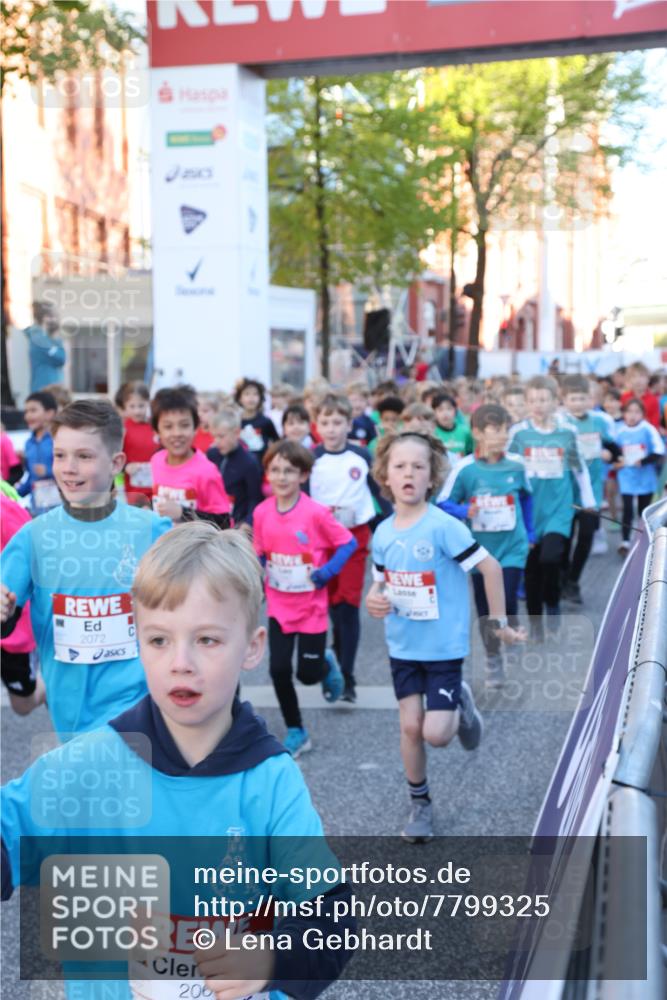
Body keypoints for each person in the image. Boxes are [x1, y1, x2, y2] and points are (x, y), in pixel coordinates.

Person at [1, 522, 355, 1000]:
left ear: (252, 647)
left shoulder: (271, 781)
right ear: (136, 640)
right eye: (159, 640)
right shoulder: (87, 766)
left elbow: (329, 916)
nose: (180, 662)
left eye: (206, 640)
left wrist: (273, 959)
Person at [366, 432, 524, 842]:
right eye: (400, 466)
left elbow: (489, 568)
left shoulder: (443, 527)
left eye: (418, 467)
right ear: (384, 474)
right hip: (401, 645)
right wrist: (375, 599)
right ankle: (420, 804)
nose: (409, 473)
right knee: (410, 727)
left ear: (432, 478)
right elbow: (380, 583)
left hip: (443, 648)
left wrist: (497, 623)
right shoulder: (382, 533)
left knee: (437, 734)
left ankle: (462, 705)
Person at [1, 399, 172, 738]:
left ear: (116, 463)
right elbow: (6, 612)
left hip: (139, 704)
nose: (69, 468)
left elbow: (186, 605)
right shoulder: (33, 538)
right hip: (70, 712)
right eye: (60, 455)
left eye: (84, 456)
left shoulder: (152, 531)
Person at [253, 441, 358, 756]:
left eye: (289, 471)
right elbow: (259, 551)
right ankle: (296, 729)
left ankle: (325, 663)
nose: (282, 477)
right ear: (267, 474)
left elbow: (348, 543)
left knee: (307, 676)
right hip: (279, 606)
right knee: (278, 670)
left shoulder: (315, 513)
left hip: (311, 607)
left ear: (303, 475)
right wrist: (258, 572)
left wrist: (328, 571)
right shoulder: (261, 512)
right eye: (275, 470)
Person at [440, 404, 533, 688]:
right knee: (485, 607)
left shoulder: (517, 464)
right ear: (478, 433)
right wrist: (463, 510)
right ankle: (494, 658)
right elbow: (443, 503)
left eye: (505, 429)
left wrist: (530, 533)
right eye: (495, 430)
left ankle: (510, 625)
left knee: (506, 596)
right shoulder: (464, 469)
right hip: (480, 551)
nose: (503, 435)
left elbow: (527, 498)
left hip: (512, 545)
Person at [508, 376, 596, 638]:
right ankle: (535, 623)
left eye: (543, 400)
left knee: (551, 558)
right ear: (527, 402)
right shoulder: (519, 433)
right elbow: (509, 466)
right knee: (532, 568)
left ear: (554, 401)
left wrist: (589, 502)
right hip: (529, 510)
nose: (538, 405)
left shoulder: (566, 432)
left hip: (559, 508)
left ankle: (554, 601)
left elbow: (579, 469)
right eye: (533, 400)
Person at [310, 394, 382, 703]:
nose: (331, 429)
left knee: (347, 606)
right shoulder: (311, 458)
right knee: (325, 607)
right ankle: (332, 666)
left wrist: (390, 528)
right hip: (319, 540)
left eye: (338, 422)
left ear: (349, 424)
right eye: (325, 422)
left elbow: (381, 494)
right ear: (317, 425)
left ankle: (348, 675)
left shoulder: (362, 456)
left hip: (353, 539)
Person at [559, 375, 620, 602]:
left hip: (591, 493)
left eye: (583, 398)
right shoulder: (559, 422)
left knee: (586, 536)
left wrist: (609, 454)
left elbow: (615, 449)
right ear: (564, 400)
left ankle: (573, 580)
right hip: (564, 493)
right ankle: (562, 577)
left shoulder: (600, 421)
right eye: (573, 398)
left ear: (591, 399)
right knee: (564, 540)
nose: (578, 402)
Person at [150, 385, 232, 528]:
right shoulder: (156, 461)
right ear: (157, 430)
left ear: (195, 427)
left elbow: (224, 521)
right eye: (168, 427)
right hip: (164, 547)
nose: (177, 433)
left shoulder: (206, 471)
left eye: (184, 425)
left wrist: (182, 513)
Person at [0, 493, 44, 716]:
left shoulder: (6, 510)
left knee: (22, 705)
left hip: (12, 627)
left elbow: (38, 555)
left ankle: (51, 681)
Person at [614, 397, 664, 554]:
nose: (632, 415)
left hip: (645, 477)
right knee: (627, 509)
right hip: (626, 477)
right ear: (624, 413)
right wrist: (617, 461)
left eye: (637, 412)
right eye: (629, 411)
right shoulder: (619, 431)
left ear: (642, 414)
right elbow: (613, 452)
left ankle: (643, 542)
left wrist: (642, 461)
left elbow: (659, 451)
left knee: (643, 511)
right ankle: (625, 541)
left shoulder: (648, 429)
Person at [206, 407, 263, 526]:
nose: (216, 442)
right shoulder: (212, 454)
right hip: (214, 520)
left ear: (237, 433)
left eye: (221, 436)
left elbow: (255, 498)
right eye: (214, 436)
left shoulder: (249, 462)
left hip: (237, 523)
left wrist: (247, 524)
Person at [115, 380, 158, 506]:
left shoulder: (156, 425)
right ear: (124, 406)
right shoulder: (123, 428)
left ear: (148, 403)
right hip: (134, 489)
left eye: (141, 406)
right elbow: (115, 455)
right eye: (132, 406)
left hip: (156, 486)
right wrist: (125, 466)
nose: (137, 411)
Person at [16, 390, 59, 514]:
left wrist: (48, 471)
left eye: (33, 410)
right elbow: (31, 478)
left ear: (50, 413)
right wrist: (15, 493)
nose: (27, 416)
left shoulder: (58, 440)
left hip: (59, 508)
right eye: (26, 411)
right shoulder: (28, 443)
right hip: (37, 508)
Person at [234, 377, 279, 465]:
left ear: (260, 398)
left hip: (260, 465)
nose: (251, 398)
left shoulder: (266, 422)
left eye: (255, 394)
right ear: (240, 398)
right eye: (247, 394)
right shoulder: (235, 422)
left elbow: (277, 443)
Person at [24, 301, 66, 393]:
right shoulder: (39, 338)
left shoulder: (43, 337)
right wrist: (56, 339)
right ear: (45, 318)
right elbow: (61, 358)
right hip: (45, 390)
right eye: (54, 316)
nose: (57, 320)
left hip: (47, 389)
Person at [431, 392, 473, 466]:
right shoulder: (432, 434)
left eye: (449, 409)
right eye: (440, 410)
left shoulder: (465, 431)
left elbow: (470, 454)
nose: (445, 413)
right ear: (434, 412)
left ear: (455, 411)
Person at [620, 362, 660, 429]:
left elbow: (654, 425)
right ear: (629, 379)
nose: (638, 380)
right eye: (634, 376)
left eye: (642, 376)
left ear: (648, 379)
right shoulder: (624, 397)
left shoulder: (653, 400)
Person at [346, 381, 376, 448]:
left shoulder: (370, 423)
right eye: (354, 400)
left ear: (367, 402)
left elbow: (373, 443)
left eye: (361, 400)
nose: (358, 404)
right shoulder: (343, 420)